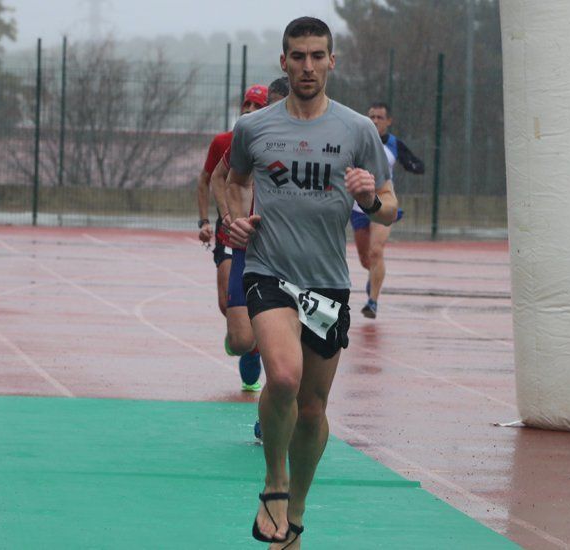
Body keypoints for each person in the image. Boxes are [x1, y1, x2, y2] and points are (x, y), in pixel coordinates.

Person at [226, 17, 398, 548]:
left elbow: (390, 209)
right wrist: (235, 221)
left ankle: (295, 510)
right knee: (281, 376)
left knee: (313, 408)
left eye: (316, 56)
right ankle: (274, 483)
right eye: (297, 56)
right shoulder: (253, 129)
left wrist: (369, 199)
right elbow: (233, 183)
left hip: (327, 284)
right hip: (268, 271)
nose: (307, 66)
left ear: (331, 61)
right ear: (283, 62)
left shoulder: (357, 131)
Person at [211, 77, 291, 397]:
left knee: (287, 349)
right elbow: (220, 177)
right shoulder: (254, 133)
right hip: (249, 248)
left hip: (295, 255)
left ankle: (270, 415)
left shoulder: (318, 141)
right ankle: (248, 346)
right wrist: (229, 216)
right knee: (244, 339)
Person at [195, 84, 269, 390]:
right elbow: (208, 179)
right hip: (231, 235)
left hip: (266, 241)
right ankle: (245, 342)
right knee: (229, 306)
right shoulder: (225, 142)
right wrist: (208, 220)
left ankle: (255, 347)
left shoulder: (278, 141)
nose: (249, 110)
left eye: (257, 106)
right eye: (246, 104)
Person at [351, 101, 424, 319]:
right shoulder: (357, 141)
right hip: (358, 207)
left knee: (376, 251)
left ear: (388, 121)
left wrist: (411, 166)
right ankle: (373, 277)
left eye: (379, 118)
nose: (374, 121)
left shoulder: (394, 144)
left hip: (383, 204)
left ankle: (372, 302)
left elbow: (418, 165)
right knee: (366, 259)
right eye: (371, 117)